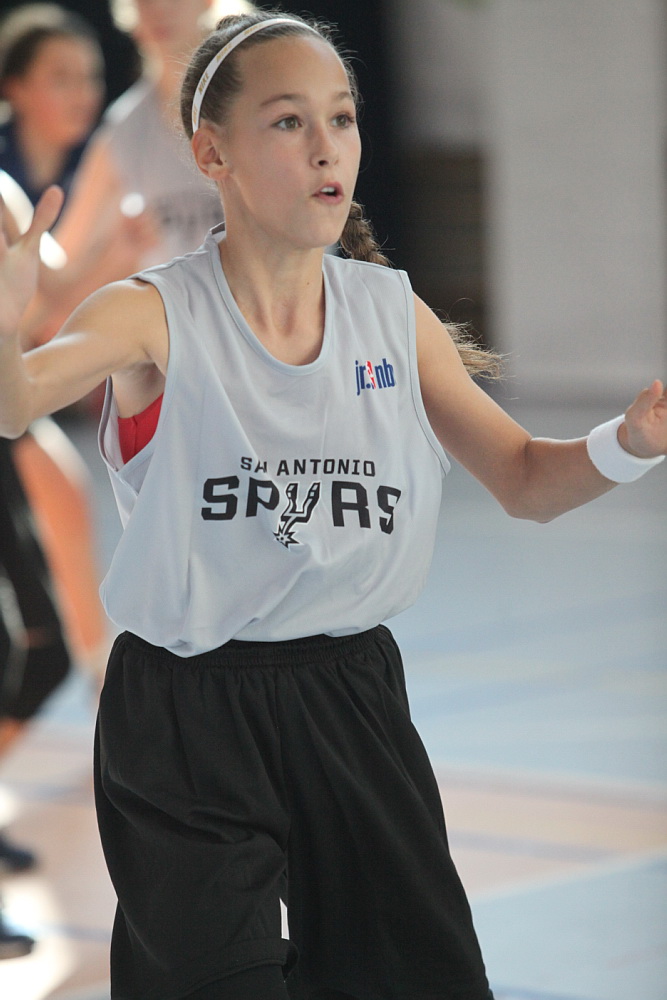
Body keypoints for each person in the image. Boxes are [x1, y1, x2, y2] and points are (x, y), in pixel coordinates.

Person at [0, 11, 665, 999]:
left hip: (349, 700)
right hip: (184, 716)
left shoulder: (391, 315)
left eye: (342, 118)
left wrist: (633, 441)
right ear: (211, 153)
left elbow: (526, 479)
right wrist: (7, 316)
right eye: (287, 121)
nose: (326, 147)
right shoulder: (149, 312)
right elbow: (15, 402)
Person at [55, 0, 251, 273]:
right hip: (171, 299)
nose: (159, 8)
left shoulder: (257, 102)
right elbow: (64, 254)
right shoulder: (125, 127)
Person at [0, 3, 104, 209]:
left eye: (90, 77)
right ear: (16, 89)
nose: (83, 95)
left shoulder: (106, 162)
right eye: (61, 79)